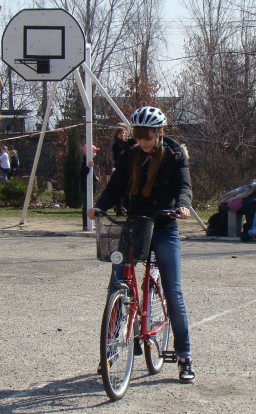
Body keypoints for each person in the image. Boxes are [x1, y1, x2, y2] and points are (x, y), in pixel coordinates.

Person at [87, 106, 196, 383]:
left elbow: (184, 187)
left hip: (164, 223)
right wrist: (99, 207)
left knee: (173, 290)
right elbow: (115, 186)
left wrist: (183, 206)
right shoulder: (129, 156)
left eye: (148, 135)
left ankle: (184, 356)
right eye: (139, 134)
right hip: (135, 223)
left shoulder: (175, 156)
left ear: (159, 133)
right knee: (117, 283)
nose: (143, 140)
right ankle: (111, 349)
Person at [110, 123, 135, 215]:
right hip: (120, 169)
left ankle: (125, 208)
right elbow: (119, 156)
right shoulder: (116, 145)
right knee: (121, 189)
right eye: (121, 133)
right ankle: (119, 208)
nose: (123, 135)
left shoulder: (128, 143)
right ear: (117, 134)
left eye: (124, 133)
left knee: (128, 190)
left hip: (129, 169)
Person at [80, 144, 100, 231]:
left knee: (91, 205)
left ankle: (90, 223)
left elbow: (92, 172)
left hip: (91, 186)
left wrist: (95, 178)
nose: (95, 153)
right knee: (86, 205)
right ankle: (86, 224)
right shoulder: (85, 161)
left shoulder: (90, 160)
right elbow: (82, 173)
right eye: (94, 151)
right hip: (86, 186)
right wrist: (87, 168)